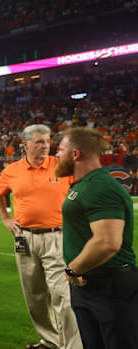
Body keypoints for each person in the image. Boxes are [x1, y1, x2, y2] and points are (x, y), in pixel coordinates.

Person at [0, 124, 81, 349]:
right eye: (40, 142)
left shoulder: (62, 165)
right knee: (34, 295)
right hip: (25, 239)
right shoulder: (12, 170)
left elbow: (80, 191)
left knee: (63, 296)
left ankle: (71, 346)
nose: (45, 145)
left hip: (57, 237)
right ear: (26, 144)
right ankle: (50, 340)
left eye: (48, 141)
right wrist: (5, 218)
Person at [55, 127, 138, 349]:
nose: (56, 155)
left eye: (60, 150)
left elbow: (107, 243)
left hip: (109, 284)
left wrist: (72, 269)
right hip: (89, 284)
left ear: (75, 154)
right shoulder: (85, 185)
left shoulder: (100, 186)